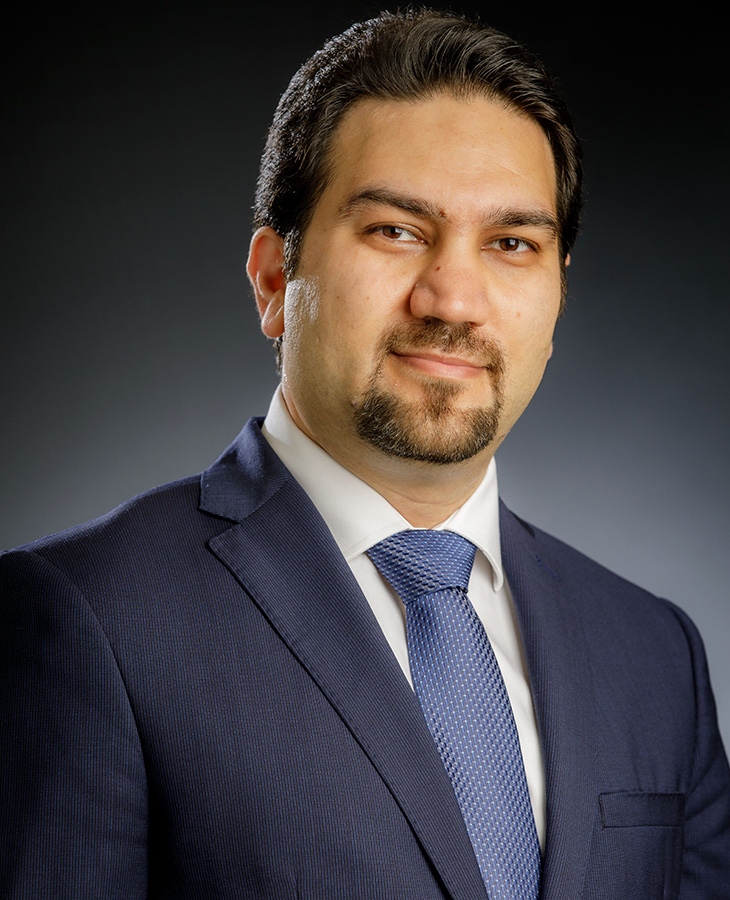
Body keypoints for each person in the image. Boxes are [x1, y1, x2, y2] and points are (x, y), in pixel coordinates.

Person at [2, 8, 728, 899]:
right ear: (276, 279)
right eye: (395, 229)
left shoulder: (654, 653)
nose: (454, 298)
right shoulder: (89, 620)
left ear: (557, 296)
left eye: (511, 244)